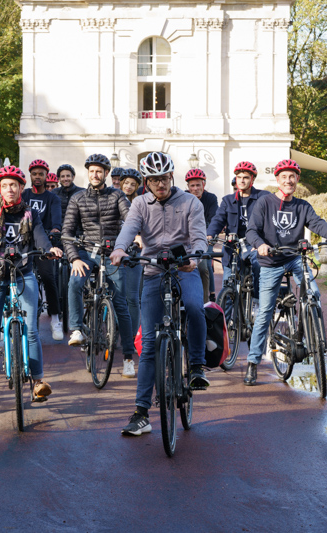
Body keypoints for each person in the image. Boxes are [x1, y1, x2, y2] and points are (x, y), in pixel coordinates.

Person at [110, 151, 209, 436]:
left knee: (193, 307)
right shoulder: (139, 203)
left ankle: (197, 366)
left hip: (184, 268)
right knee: (151, 342)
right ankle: (141, 413)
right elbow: (129, 229)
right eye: (154, 180)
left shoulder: (190, 201)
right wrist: (119, 248)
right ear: (146, 181)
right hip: (153, 270)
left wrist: (197, 257)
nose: (160, 184)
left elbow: (199, 235)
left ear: (171, 177)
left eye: (164, 178)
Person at [0, 166, 64, 416]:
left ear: (21, 187)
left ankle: (38, 382)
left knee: (31, 331)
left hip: (23, 275)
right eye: (5, 185)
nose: (9, 189)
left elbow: (40, 238)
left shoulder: (30, 213)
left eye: (14, 185)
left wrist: (49, 249)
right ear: (0, 188)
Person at [243, 159, 327, 386]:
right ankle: (252, 363)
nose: (288, 180)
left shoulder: (302, 206)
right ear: (277, 180)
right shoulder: (264, 202)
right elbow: (252, 230)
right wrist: (260, 244)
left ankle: (306, 331)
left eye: (292, 177)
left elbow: (317, 223)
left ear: (297, 180)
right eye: (284, 177)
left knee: (314, 294)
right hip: (270, 261)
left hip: (294, 258)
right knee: (265, 312)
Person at [62, 153, 136, 378]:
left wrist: (133, 239)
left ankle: (128, 358)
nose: (95, 174)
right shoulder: (77, 198)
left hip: (112, 253)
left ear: (106, 173)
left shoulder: (117, 196)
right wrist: (74, 258)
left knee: (121, 304)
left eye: (99, 171)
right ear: (88, 173)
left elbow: (131, 219)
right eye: (91, 171)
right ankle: (77, 329)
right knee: (75, 281)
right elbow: (67, 232)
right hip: (86, 252)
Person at [206, 161, 269, 304]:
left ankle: (257, 301)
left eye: (246, 177)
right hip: (233, 246)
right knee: (227, 288)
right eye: (239, 177)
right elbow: (218, 219)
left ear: (252, 179)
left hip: (255, 243)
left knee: (259, 265)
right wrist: (210, 235)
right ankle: (227, 324)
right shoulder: (228, 200)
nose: (241, 180)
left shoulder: (263, 197)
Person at [22, 159, 64, 341]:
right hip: (24, 242)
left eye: (41, 174)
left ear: (47, 176)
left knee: (48, 277)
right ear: (30, 175)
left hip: (44, 242)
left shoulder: (52, 197)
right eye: (34, 174)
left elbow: (56, 219)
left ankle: (55, 318)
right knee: (19, 277)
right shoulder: (23, 195)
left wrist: (55, 230)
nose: (37, 177)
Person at [117, 167, 144, 359]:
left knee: (133, 298)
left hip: (134, 253)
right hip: (115, 252)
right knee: (116, 297)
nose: (128, 186)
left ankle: (134, 335)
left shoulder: (140, 203)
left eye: (132, 184)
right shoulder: (113, 200)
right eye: (125, 183)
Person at [185, 168, 219, 302]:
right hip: (186, 238)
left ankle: (205, 302)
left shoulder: (210, 198)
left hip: (205, 236)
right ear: (188, 187)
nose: (195, 188)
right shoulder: (183, 197)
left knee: (203, 266)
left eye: (198, 185)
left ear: (203, 185)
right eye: (192, 186)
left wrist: (209, 234)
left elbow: (213, 219)